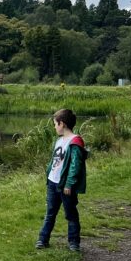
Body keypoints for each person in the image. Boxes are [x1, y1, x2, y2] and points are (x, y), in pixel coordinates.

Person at [36, 108, 88, 252]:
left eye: (55, 124)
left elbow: (75, 165)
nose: (54, 127)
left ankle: (74, 242)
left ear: (62, 124)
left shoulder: (75, 142)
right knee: (50, 213)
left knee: (70, 213)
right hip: (53, 183)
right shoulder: (59, 141)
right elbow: (55, 161)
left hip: (65, 185)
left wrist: (69, 183)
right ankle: (43, 239)